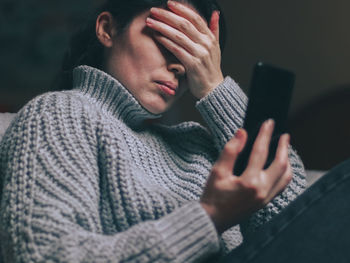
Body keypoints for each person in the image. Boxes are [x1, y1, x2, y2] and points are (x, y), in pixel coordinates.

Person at [0, 0, 306, 262]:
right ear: (107, 29)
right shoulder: (59, 114)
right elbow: (46, 256)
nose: (181, 66)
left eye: (195, 54)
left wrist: (215, 87)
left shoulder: (196, 143)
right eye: (167, 39)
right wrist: (210, 217)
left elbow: (303, 224)